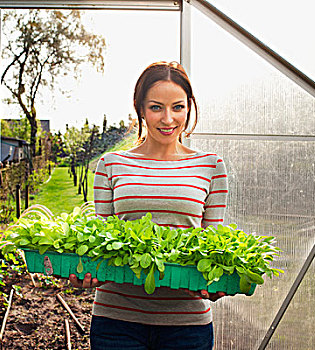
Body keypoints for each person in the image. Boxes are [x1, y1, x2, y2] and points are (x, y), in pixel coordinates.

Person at [69, 61, 229, 350]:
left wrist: (218, 279)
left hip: (187, 324)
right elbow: (102, 240)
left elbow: (211, 242)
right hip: (116, 321)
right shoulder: (111, 165)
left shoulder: (210, 166)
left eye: (177, 107)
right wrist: (83, 272)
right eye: (156, 107)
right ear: (140, 108)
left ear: (189, 107)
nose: (168, 119)